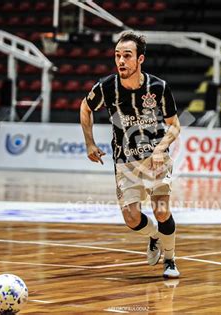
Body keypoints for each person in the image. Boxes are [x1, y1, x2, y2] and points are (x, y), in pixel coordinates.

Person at [80, 31, 181, 278]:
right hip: (125, 161)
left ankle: (170, 260)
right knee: (131, 218)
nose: (121, 61)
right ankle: (154, 237)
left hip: (157, 160)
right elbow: (85, 107)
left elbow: (175, 125)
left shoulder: (158, 87)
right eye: (117, 56)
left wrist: (159, 148)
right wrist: (90, 143)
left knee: (161, 211)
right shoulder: (106, 87)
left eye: (127, 56)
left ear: (140, 60)